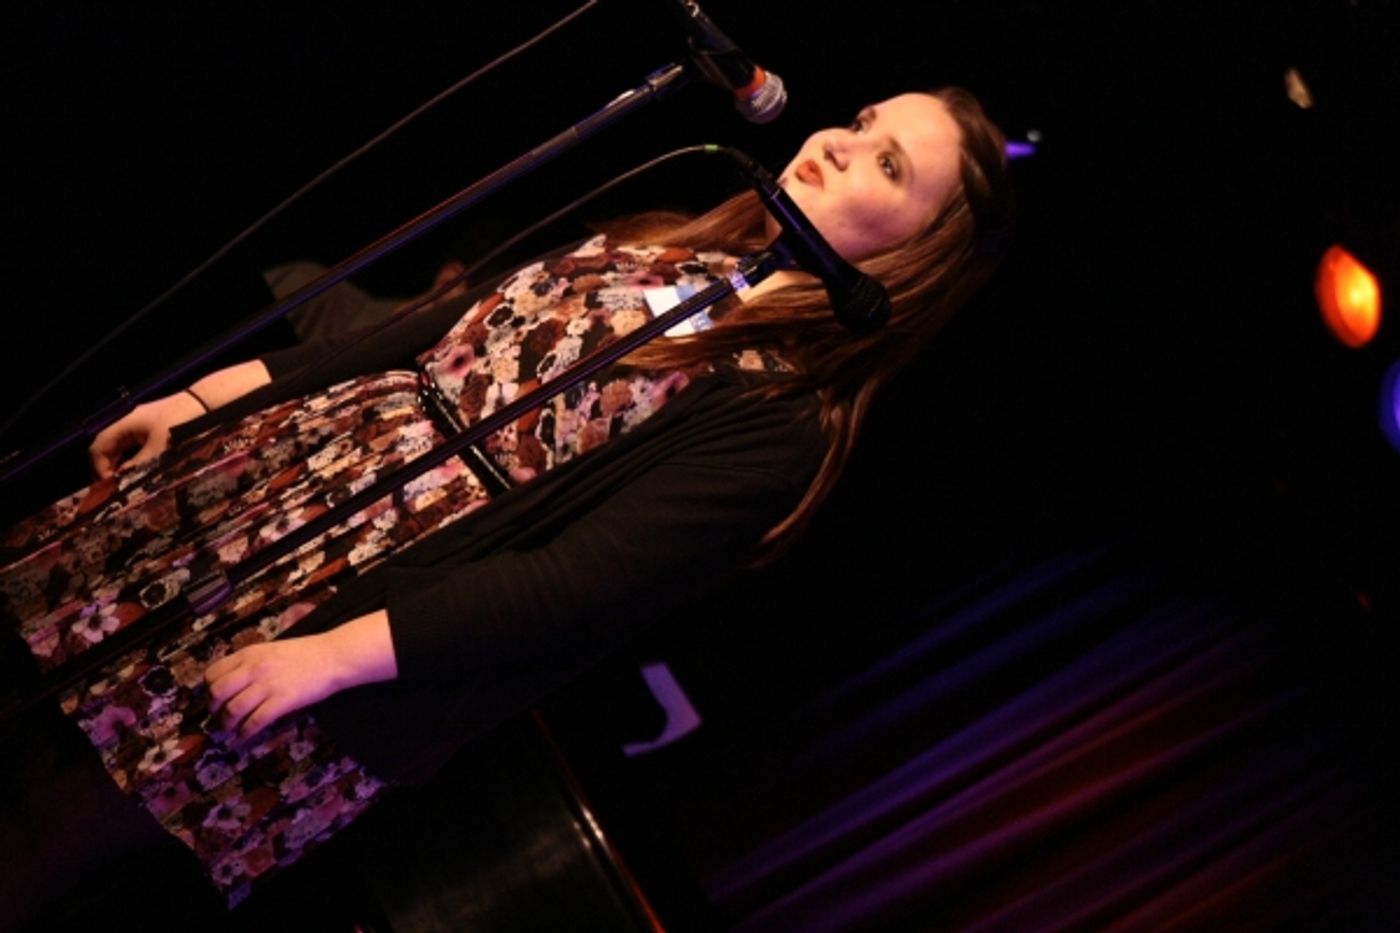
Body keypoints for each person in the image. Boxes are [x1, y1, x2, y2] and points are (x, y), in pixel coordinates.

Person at [0, 87, 1013, 926]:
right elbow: (416, 332)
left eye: (889, 166)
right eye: (865, 120)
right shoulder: (666, 244)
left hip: (360, 611)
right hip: (268, 491)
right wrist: (197, 399)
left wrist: (327, 654)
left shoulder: (781, 418)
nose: (842, 144)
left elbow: (571, 586)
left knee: (52, 815)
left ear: (918, 251)